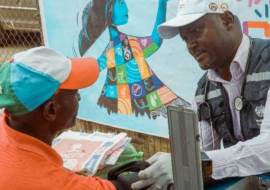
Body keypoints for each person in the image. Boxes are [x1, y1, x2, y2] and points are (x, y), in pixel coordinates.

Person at [130, 0, 270, 189]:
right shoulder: (204, 89)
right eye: (184, 38)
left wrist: (192, 165)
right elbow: (202, 152)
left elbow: (267, 150)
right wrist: (166, 174)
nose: (191, 45)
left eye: (196, 31)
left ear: (227, 20)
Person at [0, 46, 144, 190]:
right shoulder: (50, 182)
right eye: (74, 92)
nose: (79, 97)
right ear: (51, 110)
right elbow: (119, 187)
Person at [77, 0, 189, 119]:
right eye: (121, 3)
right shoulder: (120, 44)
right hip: (129, 109)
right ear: (108, 9)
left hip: (123, 109)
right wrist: (162, 5)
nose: (127, 9)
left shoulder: (121, 43)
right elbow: (154, 42)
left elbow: (154, 42)